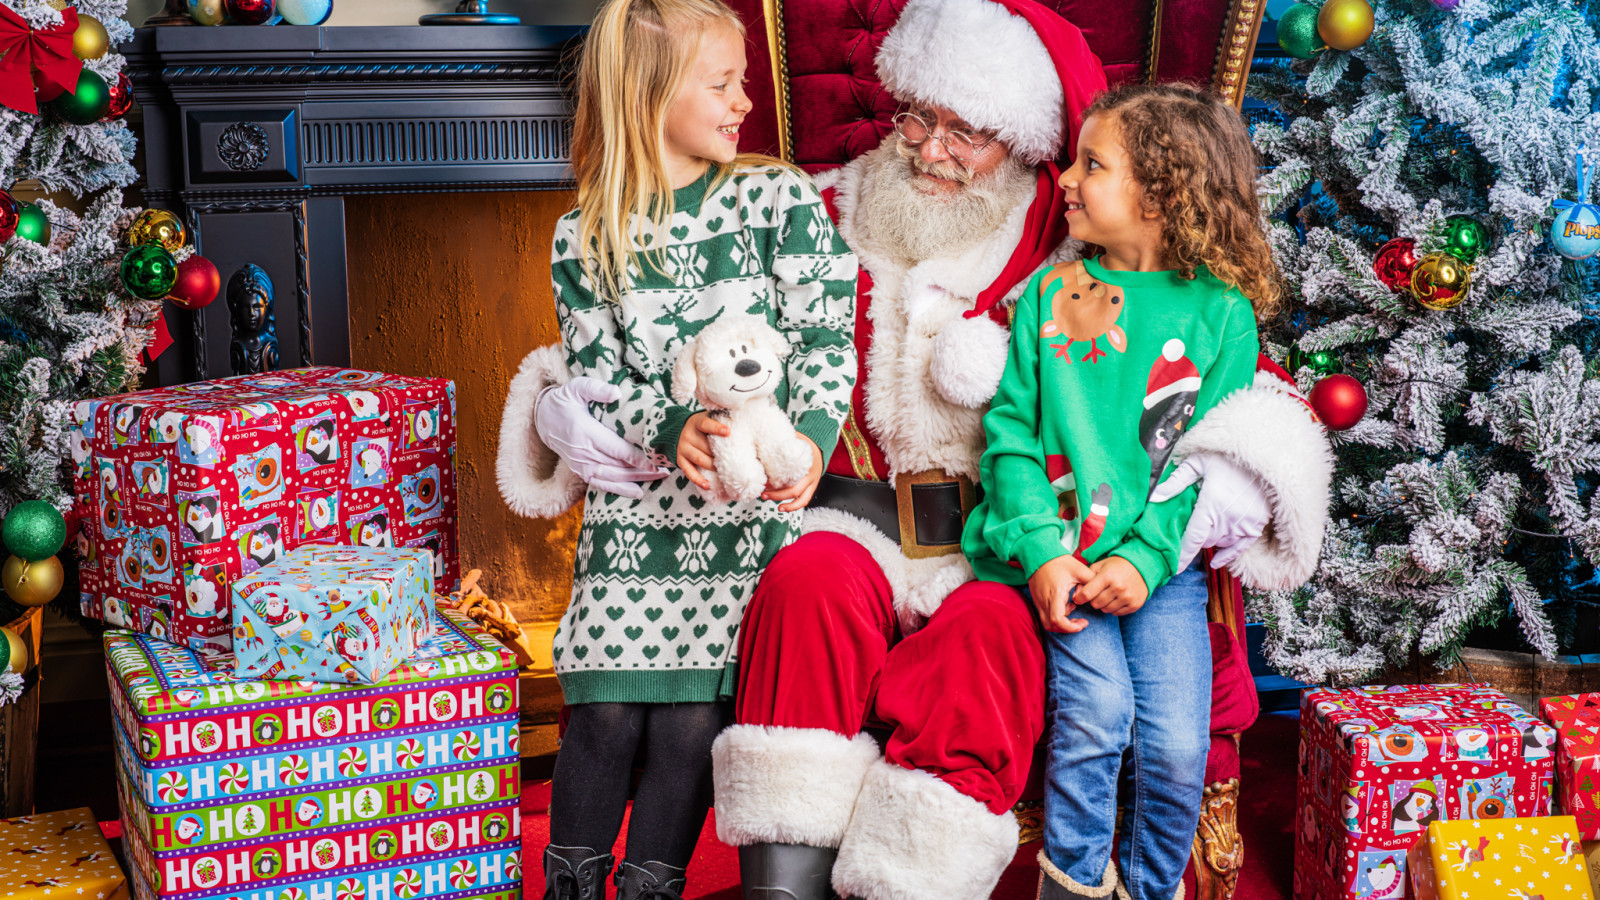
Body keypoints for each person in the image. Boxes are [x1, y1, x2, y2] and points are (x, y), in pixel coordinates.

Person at [500, 1, 1332, 898]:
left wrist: (1174, 509)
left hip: (996, 542)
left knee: (985, 640)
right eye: (916, 119)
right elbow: (673, 325)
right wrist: (563, 413)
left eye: (966, 132)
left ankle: (911, 883)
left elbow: (1217, 372)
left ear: (1016, 139)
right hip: (839, 520)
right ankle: (784, 884)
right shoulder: (808, 205)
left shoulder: (1073, 248)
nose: (931, 151)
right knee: (805, 591)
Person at [526, 1, 857, 898]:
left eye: (744, 79)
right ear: (647, 95)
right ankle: (569, 886)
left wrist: (809, 444)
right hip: (635, 520)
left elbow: (826, 335)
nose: (744, 99)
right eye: (721, 83)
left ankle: (651, 888)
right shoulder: (586, 235)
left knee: (684, 730)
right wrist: (669, 429)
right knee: (600, 711)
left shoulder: (773, 198)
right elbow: (600, 382)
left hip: (744, 517)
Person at [965, 82, 1279, 900]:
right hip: (1061, 562)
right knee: (1096, 720)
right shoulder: (1046, 297)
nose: (1066, 178)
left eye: (1092, 164)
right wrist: (1040, 552)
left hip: (1159, 575)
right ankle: (1067, 888)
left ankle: (1150, 888)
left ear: (1162, 193)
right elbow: (1011, 440)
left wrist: (1143, 560)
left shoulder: (1222, 317)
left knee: (1176, 747)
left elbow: (1206, 463)